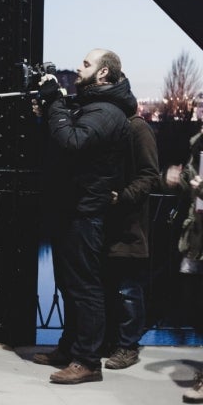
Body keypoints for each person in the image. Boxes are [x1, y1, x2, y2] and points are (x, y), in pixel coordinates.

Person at [32, 49, 133, 384]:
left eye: (86, 64)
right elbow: (62, 143)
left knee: (85, 288)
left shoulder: (106, 111)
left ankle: (88, 361)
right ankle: (70, 349)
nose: (79, 67)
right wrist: (49, 110)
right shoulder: (92, 106)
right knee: (69, 285)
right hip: (71, 208)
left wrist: (56, 106)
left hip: (85, 211)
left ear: (103, 73)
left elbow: (72, 142)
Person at [101, 74, 160, 370]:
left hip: (129, 224)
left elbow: (150, 175)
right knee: (113, 286)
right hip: (109, 224)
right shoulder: (114, 128)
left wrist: (121, 196)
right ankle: (114, 342)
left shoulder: (138, 129)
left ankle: (128, 346)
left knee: (127, 288)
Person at [163, 126, 203, 403]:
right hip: (197, 236)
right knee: (194, 302)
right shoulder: (198, 142)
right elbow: (193, 178)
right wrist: (177, 178)